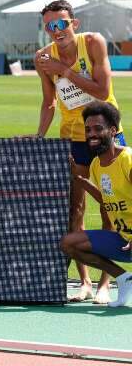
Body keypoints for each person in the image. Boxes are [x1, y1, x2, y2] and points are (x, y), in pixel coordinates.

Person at [32, 0, 125, 303]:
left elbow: (101, 90)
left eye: (61, 23)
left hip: (106, 134)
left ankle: (105, 284)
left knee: (110, 205)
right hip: (73, 136)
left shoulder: (93, 43)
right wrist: (38, 135)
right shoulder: (43, 58)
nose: (56, 30)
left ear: (74, 23)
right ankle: (84, 282)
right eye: (49, 26)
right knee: (76, 208)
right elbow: (49, 102)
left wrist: (64, 71)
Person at [61, 101, 132, 307]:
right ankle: (124, 279)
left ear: (113, 130)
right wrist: (81, 181)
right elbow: (106, 199)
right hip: (124, 240)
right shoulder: (96, 164)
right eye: (88, 129)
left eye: (98, 129)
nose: (91, 134)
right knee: (69, 243)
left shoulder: (127, 160)